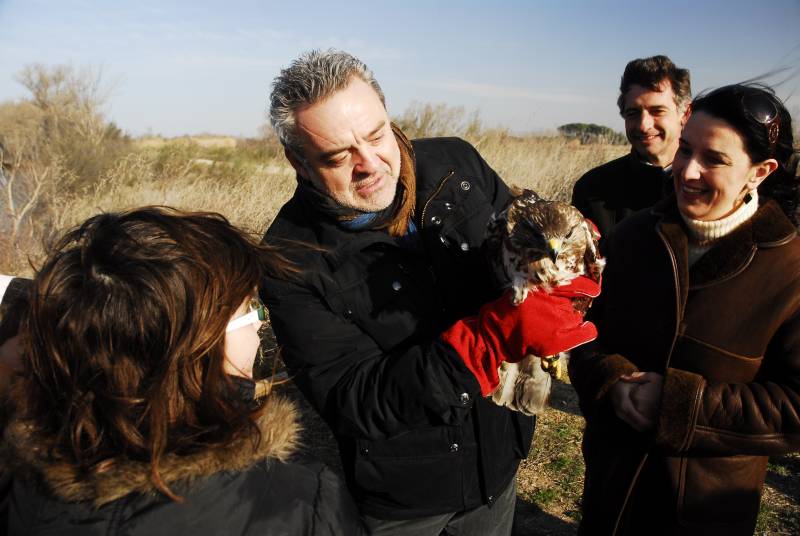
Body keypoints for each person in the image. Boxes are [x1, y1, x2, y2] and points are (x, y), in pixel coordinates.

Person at [261, 49, 597, 534]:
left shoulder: (454, 162)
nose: (369, 163)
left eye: (377, 135)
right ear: (298, 161)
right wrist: (483, 343)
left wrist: (561, 268)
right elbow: (353, 399)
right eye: (337, 156)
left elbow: (516, 234)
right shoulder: (290, 258)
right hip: (405, 497)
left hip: (498, 456)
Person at [0, 207, 363, 535]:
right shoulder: (298, 503)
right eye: (248, 310)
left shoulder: (20, 485)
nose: (258, 326)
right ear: (201, 348)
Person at [568, 83, 800, 535]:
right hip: (610, 493)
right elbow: (584, 334)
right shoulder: (634, 236)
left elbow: (793, 404)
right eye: (685, 150)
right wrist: (611, 380)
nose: (687, 172)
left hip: (705, 510)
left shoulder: (790, 272)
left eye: (714, 159)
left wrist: (679, 405)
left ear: (761, 171)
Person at [572, 55, 691, 244]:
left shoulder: (706, 186)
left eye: (657, 111)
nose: (644, 125)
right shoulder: (592, 189)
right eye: (633, 113)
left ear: (685, 114)